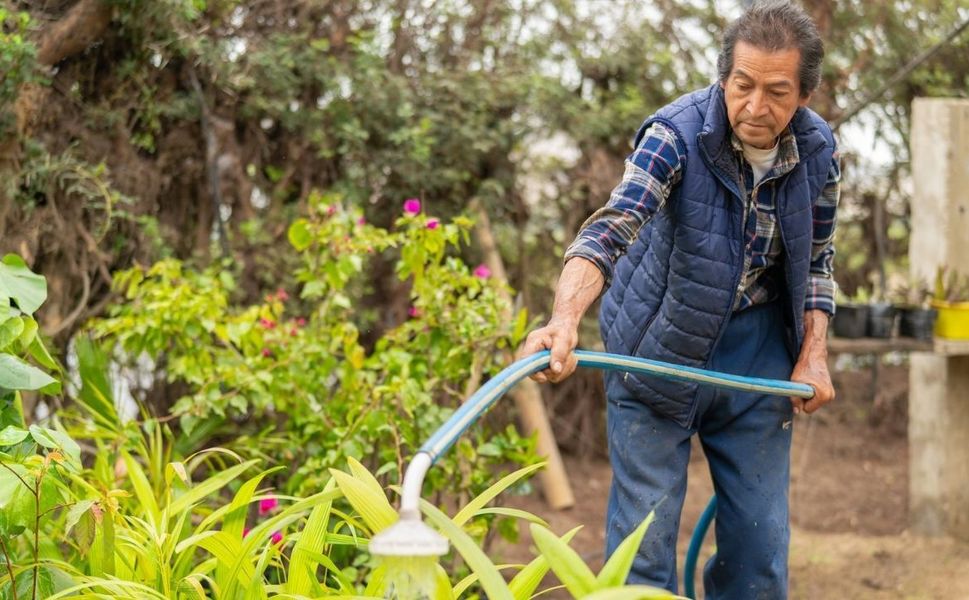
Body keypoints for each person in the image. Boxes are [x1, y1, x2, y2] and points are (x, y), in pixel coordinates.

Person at [517, 2, 839, 598]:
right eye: (742, 85)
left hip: (756, 357)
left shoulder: (818, 151)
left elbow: (818, 262)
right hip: (655, 348)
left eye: (776, 92)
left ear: (804, 95)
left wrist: (813, 354)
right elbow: (609, 229)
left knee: (760, 551)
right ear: (724, 78)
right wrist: (563, 321)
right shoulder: (675, 135)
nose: (755, 106)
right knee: (643, 549)